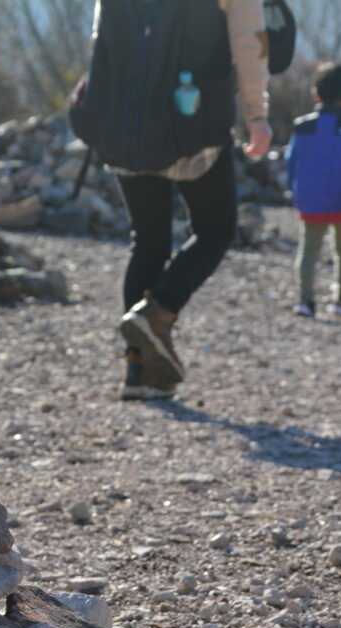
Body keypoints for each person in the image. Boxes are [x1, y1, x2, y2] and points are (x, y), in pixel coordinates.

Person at [81, 0, 272, 400]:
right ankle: (157, 314)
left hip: (126, 127)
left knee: (148, 242)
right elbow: (248, 40)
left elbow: (101, 42)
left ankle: (138, 372)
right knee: (216, 229)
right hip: (193, 124)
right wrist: (257, 113)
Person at [286, 62, 341, 318]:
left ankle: (305, 301)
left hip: (310, 200)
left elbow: (291, 161)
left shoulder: (302, 127)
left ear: (316, 94)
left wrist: (295, 193)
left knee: (308, 251)